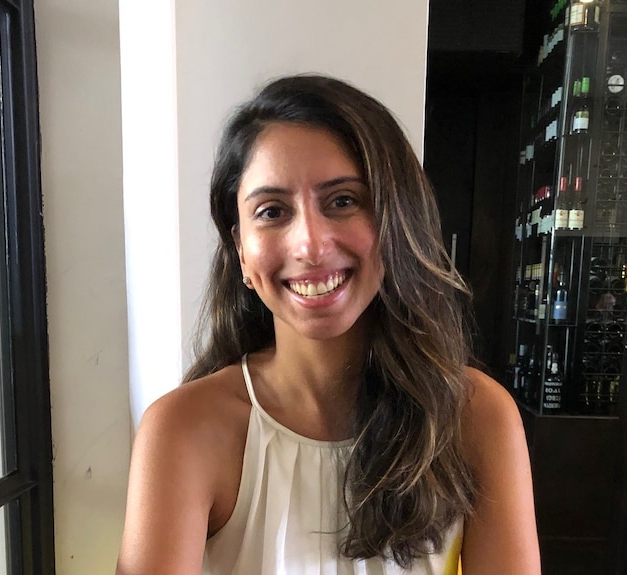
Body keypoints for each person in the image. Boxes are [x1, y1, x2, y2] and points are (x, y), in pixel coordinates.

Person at [116, 74, 540, 575]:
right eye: (272, 211)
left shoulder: (475, 416)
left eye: (343, 201)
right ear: (240, 252)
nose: (311, 245)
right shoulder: (184, 430)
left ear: (396, 221)